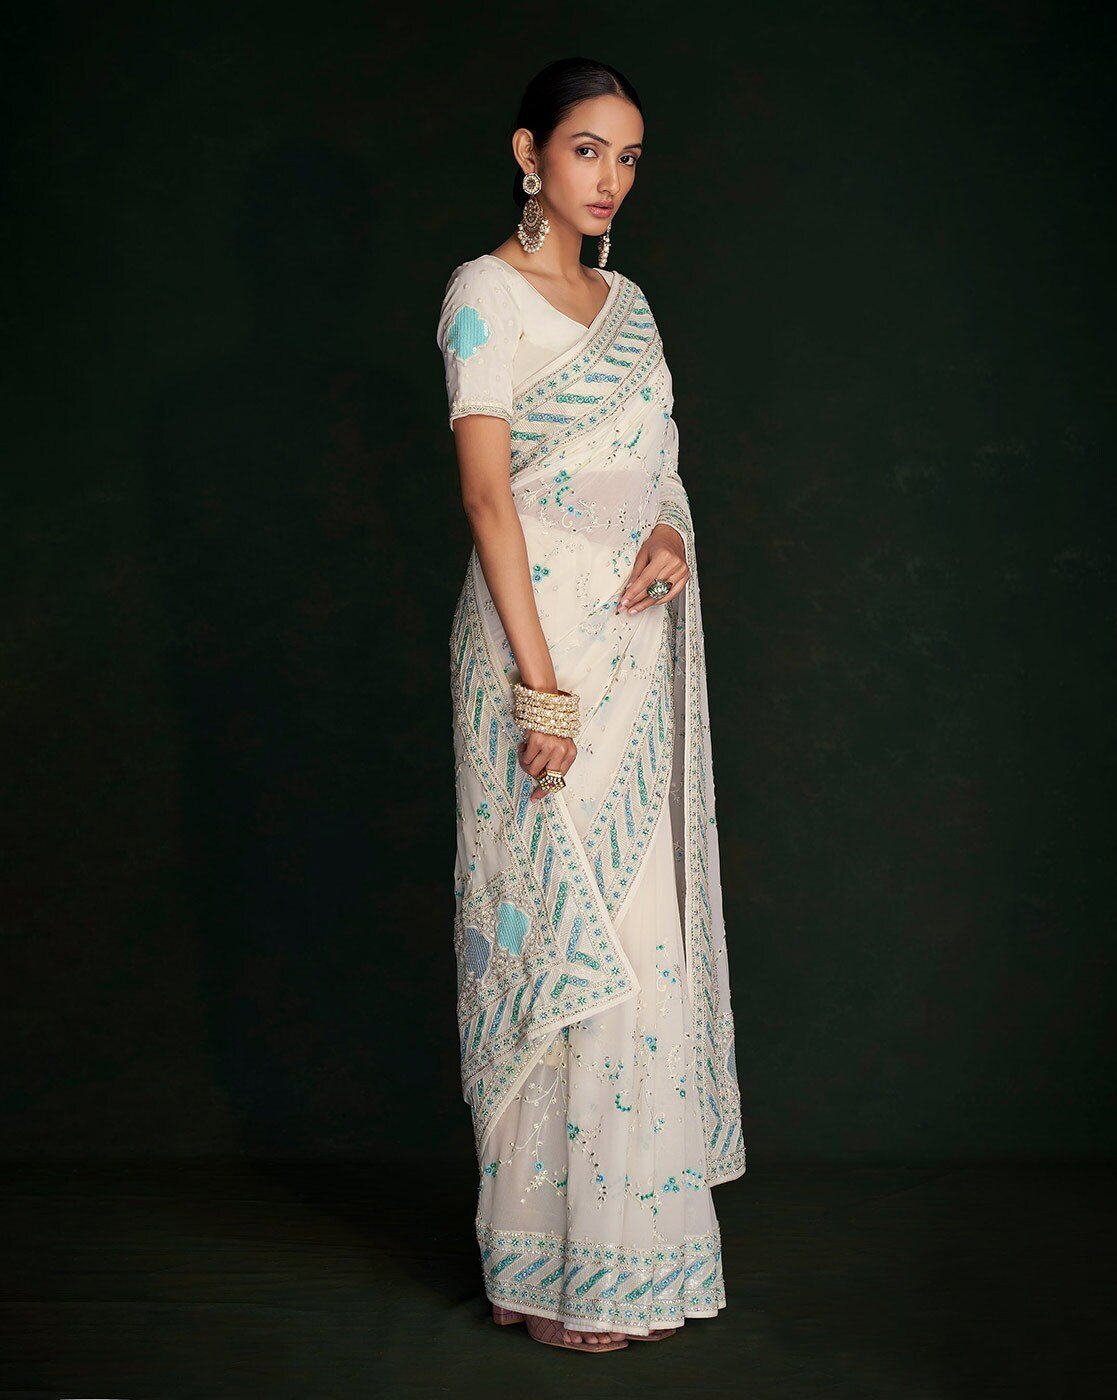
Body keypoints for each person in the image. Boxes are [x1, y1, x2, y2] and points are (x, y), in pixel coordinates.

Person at [436, 56, 745, 1354]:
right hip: (537, 645)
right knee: (546, 940)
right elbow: (487, 494)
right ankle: (535, 1267)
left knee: (633, 943)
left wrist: (669, 536)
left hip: (630, 650)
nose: (609, 178)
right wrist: (537, 686)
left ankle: (610, 1264)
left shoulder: (631, 305)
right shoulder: (482, 294)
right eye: (585, 149)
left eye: (627, 156)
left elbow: (659, 467)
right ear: (529, 153)